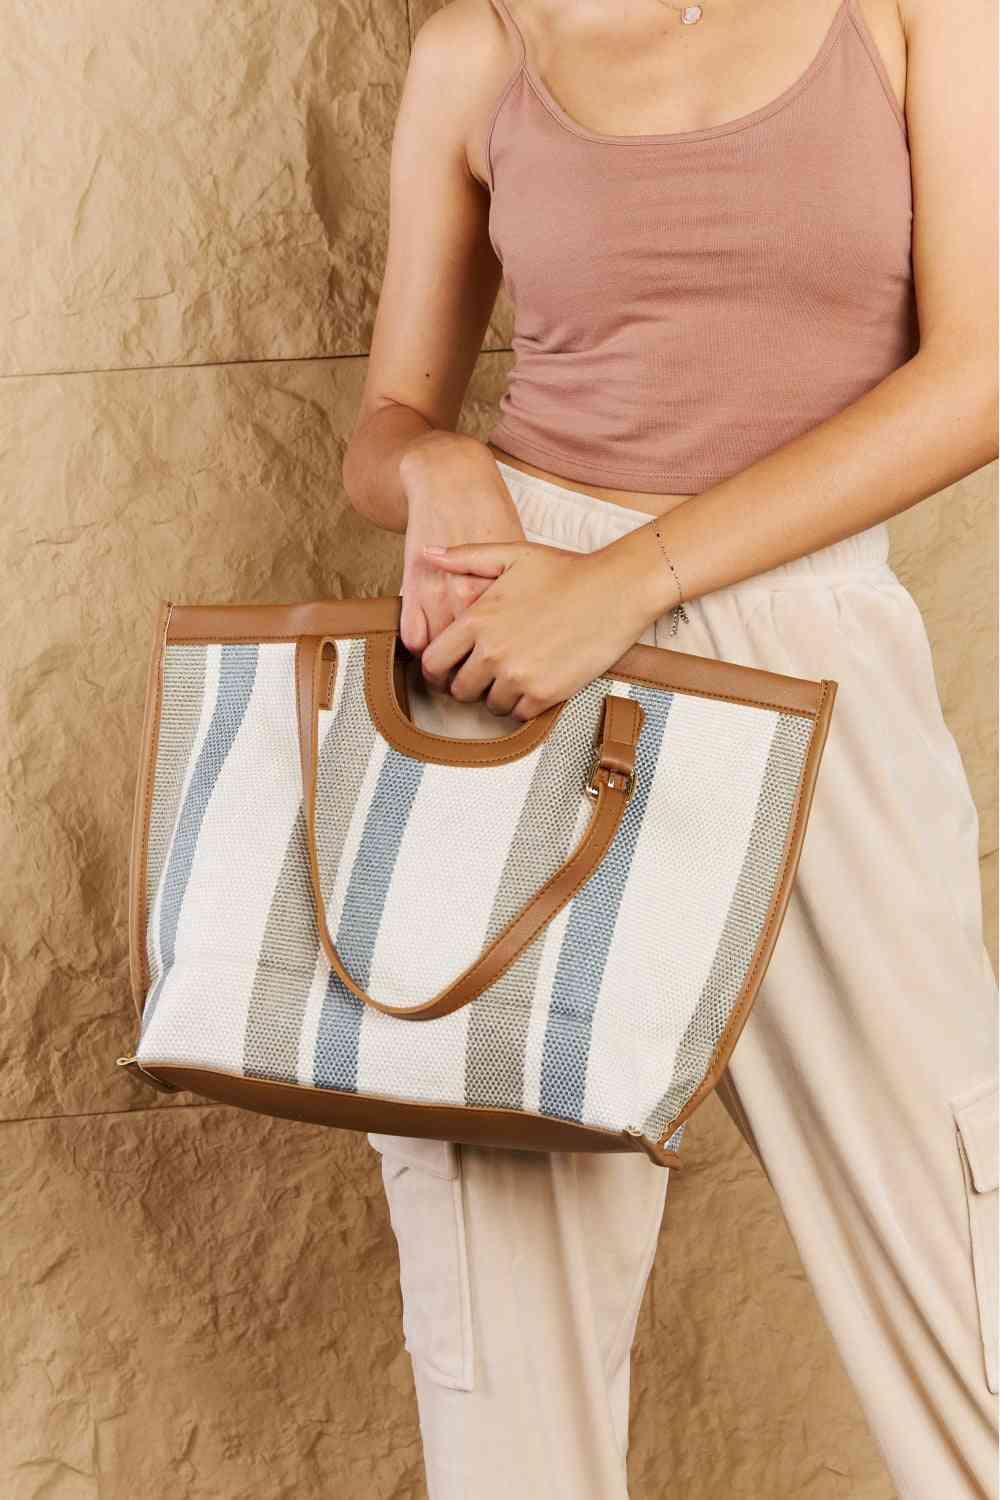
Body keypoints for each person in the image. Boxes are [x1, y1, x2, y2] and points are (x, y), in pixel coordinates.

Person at [340, 0, 999, 1494]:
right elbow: (386, 418)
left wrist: (631, 582)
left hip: (803, 647)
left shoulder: (917, 17)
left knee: (960, 1235)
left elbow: (980, 377)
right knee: (507, 1332)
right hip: (516, 670)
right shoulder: (479, 50)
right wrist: (439, 464)